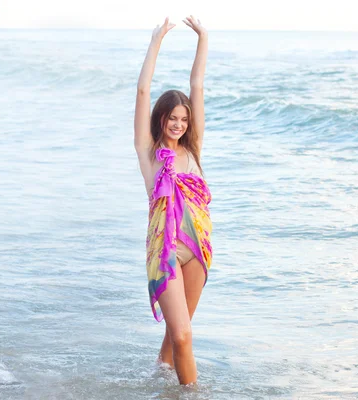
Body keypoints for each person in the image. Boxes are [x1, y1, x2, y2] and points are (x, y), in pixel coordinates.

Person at [134, 16, 211, 385]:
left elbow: (197, 84)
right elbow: (143, 91)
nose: (178, 123)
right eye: (172, 117)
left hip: (197, 248)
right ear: (161, 118)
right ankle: (194, 395)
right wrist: (156, 41)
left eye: (183, 118)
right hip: (164, 252)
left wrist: (203, 38)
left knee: (174, 338)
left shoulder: (193, 151)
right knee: (183, 335)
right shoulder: (149, 153)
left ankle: (160, 386)